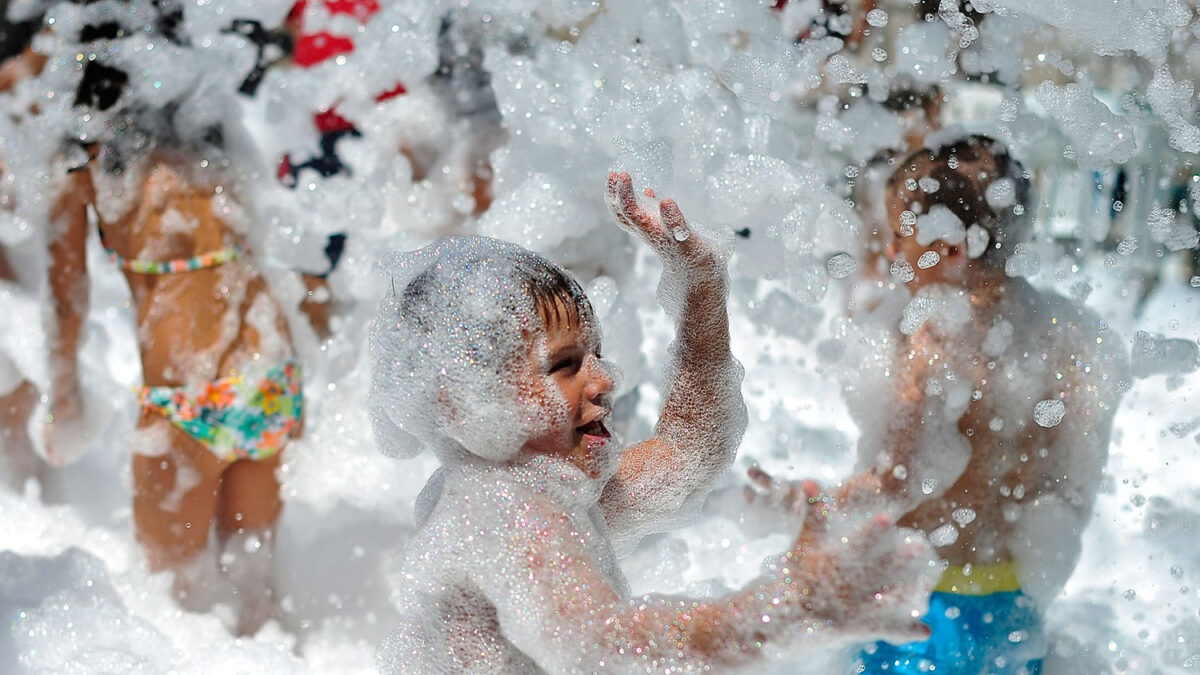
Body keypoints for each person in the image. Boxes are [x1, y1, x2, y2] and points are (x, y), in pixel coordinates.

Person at [371, 172, 937, 673]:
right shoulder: (506, 515)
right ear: (462, 401)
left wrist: (702, 292)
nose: (604, 379)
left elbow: (690, 450)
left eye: (596, 354)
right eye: (565, 365)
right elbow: (606, 648)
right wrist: (783, 611)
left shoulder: (538, 488)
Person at [37, 12, 303, 631]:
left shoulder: (81, 151)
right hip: (271, 377)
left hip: (186, 396)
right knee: (255, 599)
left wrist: (64, 394)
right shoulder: (212, 126)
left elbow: (66, 293)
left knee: (173, 616)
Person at [827, 135, 1129, 674]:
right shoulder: (1066, 338)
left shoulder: (929, 337)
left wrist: (817, 517)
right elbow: (1063, 480)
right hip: (1011, 607)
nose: (893, 252)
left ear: (951, 246)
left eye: (901, 235)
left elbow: (898, 477)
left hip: (922, 610)